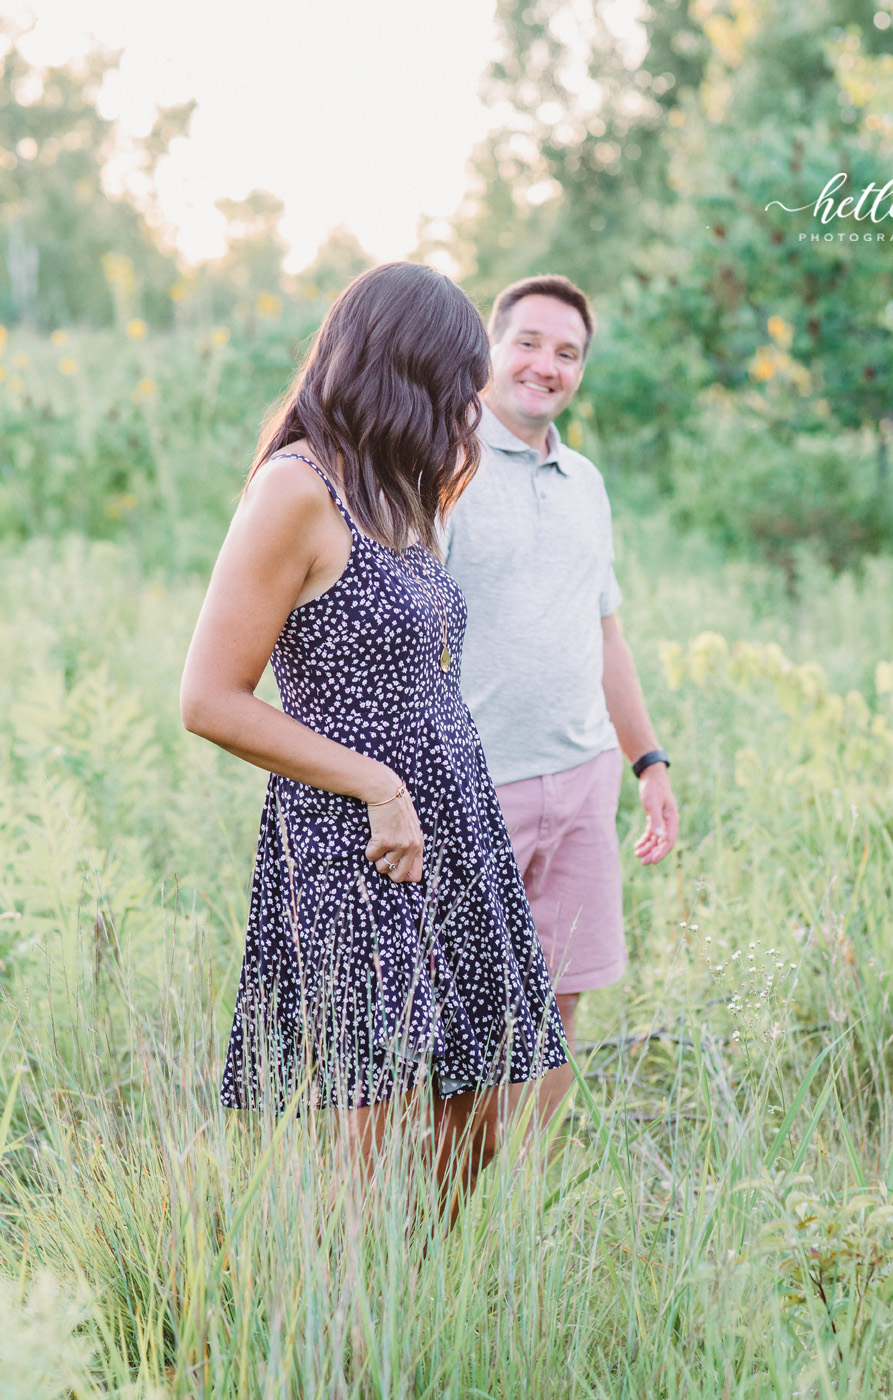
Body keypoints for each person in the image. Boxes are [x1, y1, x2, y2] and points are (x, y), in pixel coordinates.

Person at [180, 262, 566, 1207]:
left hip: (452, 819)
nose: (464, 412)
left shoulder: (398, 491)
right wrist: (377, 787)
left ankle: (416, 1288)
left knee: (513, 1080)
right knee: (375, 1122)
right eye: (451, 387)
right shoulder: (297, 489)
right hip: (358, 838)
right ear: (399, 374)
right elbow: (209, 698)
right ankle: (353, 1329)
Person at [444, 274, 679, 1119]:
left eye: (567, 352)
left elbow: (605, 631)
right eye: (530, 344)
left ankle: (517, 1201)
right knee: (468, 1022)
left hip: (583, 782)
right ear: (490, 350)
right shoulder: (443, 468)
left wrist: (646, 758)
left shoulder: (585, 481)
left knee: (561, 1003)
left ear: (581, 368)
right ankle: (438, 1216)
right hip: (475, 787)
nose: (546, 365)